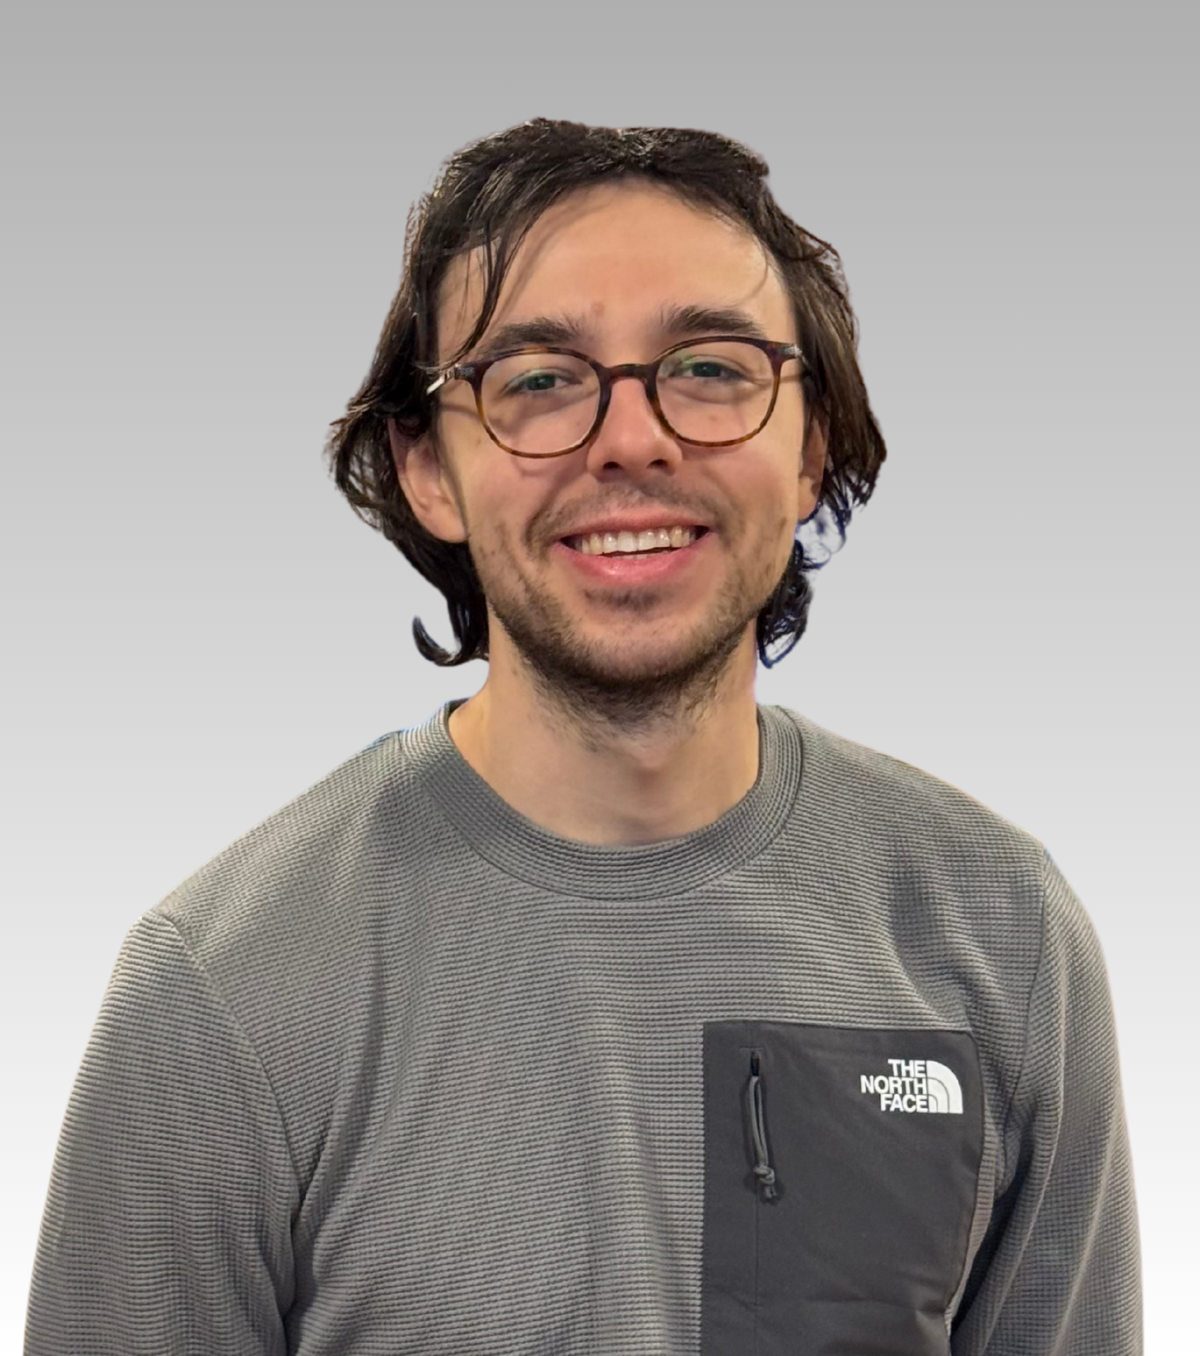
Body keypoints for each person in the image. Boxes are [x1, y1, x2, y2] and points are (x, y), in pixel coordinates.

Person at [25, 118, 1141, 1354]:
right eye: (539, 381)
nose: (632, 439)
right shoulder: (220, 992)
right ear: (427, 471)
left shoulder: (1004, 935)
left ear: (811, 447)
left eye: (710, 367)